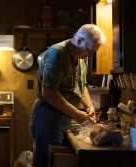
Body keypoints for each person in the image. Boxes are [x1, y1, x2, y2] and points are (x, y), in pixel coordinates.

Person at [29, 24, 106, 167]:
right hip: (48, 116)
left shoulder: (83, 56)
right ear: (79, 41)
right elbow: (49, 92)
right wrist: (77, 113)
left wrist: (89, 106)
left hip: (64, 116)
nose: (91, 55)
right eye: (90, 50)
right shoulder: (57, 54)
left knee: (58, 161)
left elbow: (80, 85)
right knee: (45, 163)